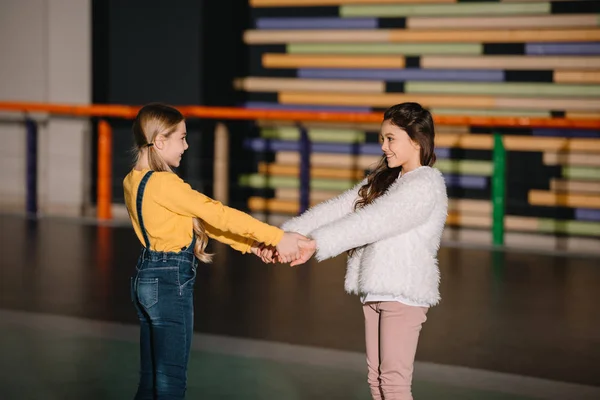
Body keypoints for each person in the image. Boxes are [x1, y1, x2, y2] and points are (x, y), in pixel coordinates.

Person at [122, 103, 308, 399]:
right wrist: (277, 236)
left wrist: (251, 245)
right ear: (159, 142)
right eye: (181, 138)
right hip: (170, 284)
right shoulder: (165, 184)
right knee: (171, 384)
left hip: (145, 281)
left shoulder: (133, 180)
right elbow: (218, 214)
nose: (186, 145)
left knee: (150, 381)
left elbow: (201, 223)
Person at [269, 102, 448, 400]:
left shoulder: (425, 184)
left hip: (402, 294)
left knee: (393, 384)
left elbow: (373, 222)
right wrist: (284, 236)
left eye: (391, 138)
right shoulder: (387, 180)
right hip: (376, 290)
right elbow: (339, 208)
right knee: (377, 382)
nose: (384, 146)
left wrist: (317, 244)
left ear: (416, 140)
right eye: (382, 138)